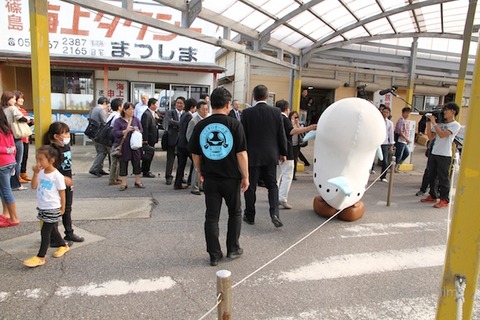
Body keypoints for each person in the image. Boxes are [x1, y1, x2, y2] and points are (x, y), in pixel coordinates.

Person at [188, 87, 249, 266]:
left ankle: (214, 254)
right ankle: (233, 249)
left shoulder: (201, 125)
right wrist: (246, 176)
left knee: (211, 216)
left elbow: (195, 153)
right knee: (235, 212)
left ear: (211, 104)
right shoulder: (234, 124)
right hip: (231, 178)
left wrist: (200, 171)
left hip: (210, 178)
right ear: (228, 104)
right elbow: (241, 154)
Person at [241, 84, 287, 228]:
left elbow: (243, 136)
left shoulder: (246, 113)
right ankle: (274, 213)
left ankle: (250, 215)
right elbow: (281, 134)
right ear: (267, 97)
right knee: (272, 185)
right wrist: (283, 152)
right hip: (270, 155)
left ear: (254, 97)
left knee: (250, 186)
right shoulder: (276, 112)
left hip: (252, 156)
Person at [23, 145, 69, 268]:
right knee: (52, 228)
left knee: (45, 231)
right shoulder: (41, 172)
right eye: (37, 159)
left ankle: (40, 256)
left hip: (52, 207)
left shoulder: (57, 175)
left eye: (41, 160)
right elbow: (33, 186)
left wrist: (63, 207)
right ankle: (63, 245)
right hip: (42, 206)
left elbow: (62, 192)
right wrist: (35, 173)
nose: (38, 162)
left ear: (51, 160)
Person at [44, 121, 84, 243]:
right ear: (56, 136)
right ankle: (54, 238)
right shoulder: (50, 150)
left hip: (67, 181)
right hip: (56, 184)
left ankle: (69, 233)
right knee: (55, 210)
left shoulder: (65, 146)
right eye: (65, 133)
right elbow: (49, 169)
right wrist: (62, 179)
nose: (67, 135)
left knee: (67, 208)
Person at [276, 100, 316, 209]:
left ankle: (274, 196)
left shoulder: (274, 118)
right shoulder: (285, 119)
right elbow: (292, 131)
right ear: (286, 109)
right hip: (286, 151)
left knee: (277, 175)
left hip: (275, 151)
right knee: (287, 175)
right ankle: (282, 198)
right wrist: (309, 128)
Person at [421, 102, 461, 208]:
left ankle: (444, 199)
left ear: (453, 111)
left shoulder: (455, 125)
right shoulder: (440, 123)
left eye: (446, 110)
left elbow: (443, 135)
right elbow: (430, 137)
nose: (444, 112)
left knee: (443, 178)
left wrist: (434, 123)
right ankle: (433, 195)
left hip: (445, 155)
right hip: (434, 152)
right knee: (431, 175)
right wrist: (429, 123)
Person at [112, 102, 145, 191]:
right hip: (124, 145)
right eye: (129, 109)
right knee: (123, 163)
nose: (131, 111)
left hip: (135, 145)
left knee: (137, 163)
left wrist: (137, 130)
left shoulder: (136, 120)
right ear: (124, 110)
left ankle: (138, 181)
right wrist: (124, 131)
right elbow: (115, 133)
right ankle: (124, 183)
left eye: (133, 109)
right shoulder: (118, 121)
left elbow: (141, 129)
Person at [1, 91, 28, 191]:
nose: (15, 100)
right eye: (13, 98)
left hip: (6, 136)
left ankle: (8, 183)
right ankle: (16, 184)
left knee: (8, 162)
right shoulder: (13, 108)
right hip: (15, 136)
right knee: (17, 161)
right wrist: (28, 119)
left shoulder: (2, 109)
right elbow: (21, 118)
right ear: (8, 100)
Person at [0, 107, 20, 228]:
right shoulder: (6, 128)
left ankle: (14, 217)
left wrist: (6, 151)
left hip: (2, 163)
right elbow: (13, 146)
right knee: (3, 190)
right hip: (10, 162)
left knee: (5, 191)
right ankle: (6, 214)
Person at [186, 100, 209, 195]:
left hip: (205, 149)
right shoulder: (194, 121)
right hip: (197, 149)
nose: (205, 111)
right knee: (196, 168)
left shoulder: (206, 120)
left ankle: (201, 185)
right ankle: (194, 187)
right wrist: (195, 147)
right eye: (203, 109)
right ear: (198, 110)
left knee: (202, 168)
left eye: (207, 109)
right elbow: (189, 136)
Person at [174, 98, 197, 190]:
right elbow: (188, 132)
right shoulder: (189, 116)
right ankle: (190, 180)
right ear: (192, 107)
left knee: (181, 164)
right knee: (195, 162)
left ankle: (178, 183)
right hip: (185, 144)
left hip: (180, 142)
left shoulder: (183, 114)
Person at [164, 96, 185, 185]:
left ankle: (180, 177)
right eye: (177, 103)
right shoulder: (170, 112)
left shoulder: (186, 114)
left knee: (181, 160)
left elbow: (185, 124)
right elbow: (169, 122)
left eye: (181, 103)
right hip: (172, 139)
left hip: (182, 140)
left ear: (184, 105)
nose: (179, 104)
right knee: (170, 160)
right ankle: (168, 177)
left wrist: (175, 123)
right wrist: (180, 124)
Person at [14, 90, 33, 183]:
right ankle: (16, 175)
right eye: (20, 98)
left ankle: (23, 172)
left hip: (25, 136)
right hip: (18, 136)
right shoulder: (13, 110)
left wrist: (31, 122)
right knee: (18, 158)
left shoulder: (23, 110)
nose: (22, 100)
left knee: (25, 156)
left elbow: (25, 124)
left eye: (22, 98)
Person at [89, 97, 110, 177]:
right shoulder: (101, 110)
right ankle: (94, 169)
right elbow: (105, 122)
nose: (107, 107)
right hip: (99, 134)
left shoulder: (93, 109)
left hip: (93, 133)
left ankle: (99, 169)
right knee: (102, 152)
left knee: (100, 151)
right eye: (107, 105)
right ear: (104, 103)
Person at [106, 98, 124, 186]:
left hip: (109, 139)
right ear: (119, 107)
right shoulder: (117, 117)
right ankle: (112, 179)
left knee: (115, 160)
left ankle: (115, 177)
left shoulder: (112, 115)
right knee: (115, 160)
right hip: (114, 140)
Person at [141, 97, 159, 178]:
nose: (157, 106)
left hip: (152, 138)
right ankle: (146, 171)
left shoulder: (153, 113)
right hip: (148, 139)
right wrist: (145, 139)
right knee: (148, 155)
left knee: (150, 155)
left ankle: (145, 169)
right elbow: (145, 127)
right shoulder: (146, 114)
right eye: (156, 104)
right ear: (152, 105)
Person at [379, 105, 395, 183]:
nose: (385, 113)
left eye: (387, 112)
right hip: (376, 142)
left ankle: (383, 176)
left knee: (385, 161)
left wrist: (391, 144)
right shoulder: (377, 120)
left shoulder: (390, 123)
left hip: (385, 143)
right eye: (384, 112)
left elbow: (391, 134)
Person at [394, 107, 412, 172]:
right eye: (406, 113)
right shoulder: (401, 120)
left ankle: (398, 165)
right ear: (403, 113)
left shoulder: (405, 121)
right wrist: (407, 139)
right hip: (400, 140)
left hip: (404, 141)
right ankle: (395, 166)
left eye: (408, 113)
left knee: (406, 153)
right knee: (399, 154)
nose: (407, 114)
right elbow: (400, 132)